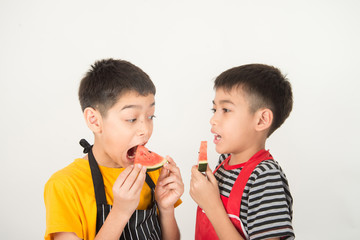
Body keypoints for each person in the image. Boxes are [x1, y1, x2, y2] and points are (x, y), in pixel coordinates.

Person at [44, 59, 184, 240]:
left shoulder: (154, 175)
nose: (145, 130)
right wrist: (120, 212)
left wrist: (166, 209)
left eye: (150, 116)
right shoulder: (64, 186)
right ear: (94, 121)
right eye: (131, 119)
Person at [190, 64, 295, 240]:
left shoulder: (265, 177)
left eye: (226, 110)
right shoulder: (224, 162)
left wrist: (211, 205)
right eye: (214, 109)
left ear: (262, 120)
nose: (213, 119)